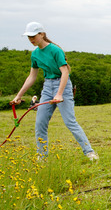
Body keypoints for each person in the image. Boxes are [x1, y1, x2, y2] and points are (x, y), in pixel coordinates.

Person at [11, 22, 99, 161]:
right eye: (29, 37)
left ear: (42, 34)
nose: (31, 39)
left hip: (62, 85)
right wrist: (18, 96)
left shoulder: (55, 50)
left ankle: (90, 152)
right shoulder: (35, 54)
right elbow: (32, 76)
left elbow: (65, 72)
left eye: (33, 36)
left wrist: (59, 94)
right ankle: (42, 156)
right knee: (40, 123)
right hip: (47, 86)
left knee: (70, 122)